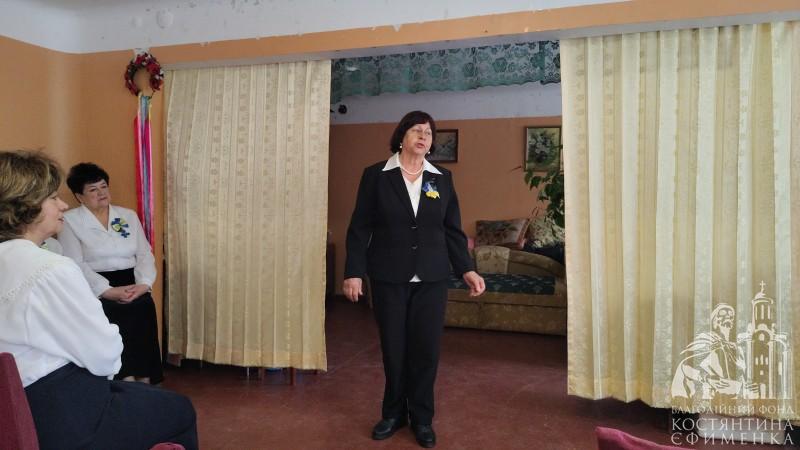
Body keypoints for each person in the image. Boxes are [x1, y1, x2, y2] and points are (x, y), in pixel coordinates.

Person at [0, 150, 198, 450]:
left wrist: (142, 285)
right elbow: (103, 354)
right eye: (53, 197)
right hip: (60, 413)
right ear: (26, 206)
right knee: (179, 409)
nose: (62, 204)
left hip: (14, 405)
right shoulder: (52, 268)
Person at [343, 111, 485, 448]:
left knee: (425, 351)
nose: (424, 136)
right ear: (402, 135)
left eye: (429, 133)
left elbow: (451, 230)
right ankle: (393, 414)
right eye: (417, 130)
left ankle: (422, 419)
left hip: (432, 278)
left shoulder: (441, 178)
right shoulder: (377, 175)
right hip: (388, 276)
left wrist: (466, 268)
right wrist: (353, 272)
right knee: (394, 349)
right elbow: (360, 227)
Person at [58, 162, 163, 384]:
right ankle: (125, 382)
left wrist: (144, 284)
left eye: (103, 186)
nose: (101, 193)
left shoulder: (127, 216)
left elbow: (144, 254)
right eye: (93, 189)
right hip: (97, 288)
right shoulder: (70, 221)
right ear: (79, 196)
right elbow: (75, 263)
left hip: (134, 283)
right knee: (114, 329)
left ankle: (146, 383)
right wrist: (106, 290)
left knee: (143, 313)